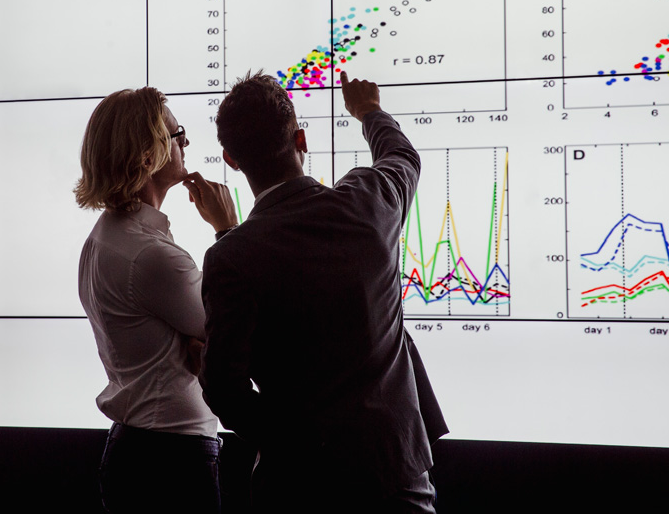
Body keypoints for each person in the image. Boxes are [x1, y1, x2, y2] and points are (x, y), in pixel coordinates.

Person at [197, 71, 449, 513]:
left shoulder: (230, 256)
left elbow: (222, 389)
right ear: (301, 140)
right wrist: (368, 112)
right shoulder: (368, 201)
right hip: (396, 479)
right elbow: (403, 156)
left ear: (231, 160)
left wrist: (299, 445)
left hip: (301, 488)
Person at [74, 86, 237, 514]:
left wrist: (203, 340)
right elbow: (236, 325)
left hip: (141, 451)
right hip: (171, 462)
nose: (186, 142)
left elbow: (210, 332)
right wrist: (228, 231)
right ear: (148, 157)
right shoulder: (150, 255)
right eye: (176, 134)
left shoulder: (107, 239)